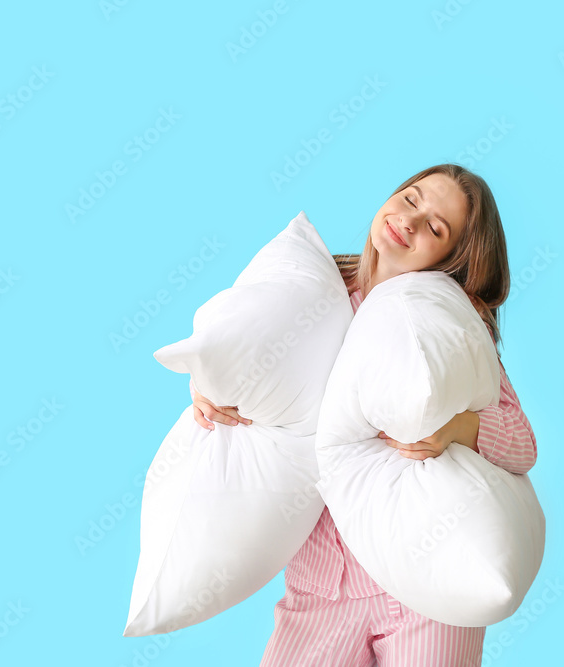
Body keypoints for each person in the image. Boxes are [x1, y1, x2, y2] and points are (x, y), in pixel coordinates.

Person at [190, 164, 537, 666]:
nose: (411, 222)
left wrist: (459, 428)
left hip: (424, 581)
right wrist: (206, 383)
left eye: (436, 228)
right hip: (319, 587)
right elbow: (238, 345)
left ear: (452, 260)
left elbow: (523, 441)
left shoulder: (447, 325)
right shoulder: (309, 290)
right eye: (412, 199)